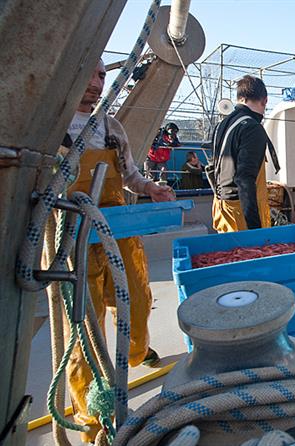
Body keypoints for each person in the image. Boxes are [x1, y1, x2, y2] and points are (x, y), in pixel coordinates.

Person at [63, 59, 175, 442]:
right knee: (83, 324)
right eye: (89, 74)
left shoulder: (111, 128)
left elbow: (129, 175)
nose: (96, 84)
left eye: (102, 76)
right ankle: (90, 417)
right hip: (71, 237)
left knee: (137, 300)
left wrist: (149, 189)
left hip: (118, 230)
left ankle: (134, 353)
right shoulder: (52, 127)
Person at [210, 75, 280, 232]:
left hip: (222, 208)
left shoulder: (221, 125)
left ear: (239, 98)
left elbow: (213, 167)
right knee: (250, 254)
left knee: (229, 255)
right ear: (265, 101)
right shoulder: (252, 128)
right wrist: (254, 228)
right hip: (241, 214)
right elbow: (244, 179)